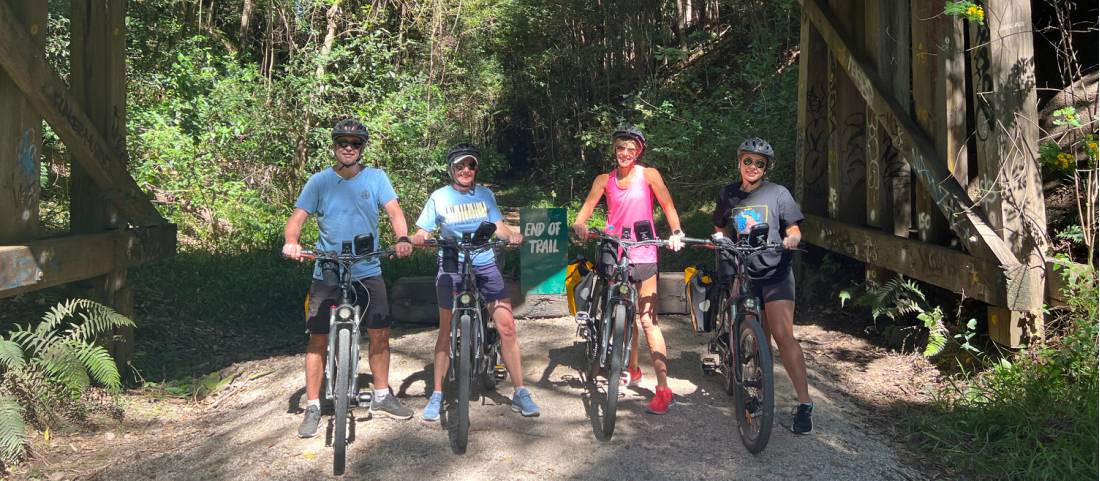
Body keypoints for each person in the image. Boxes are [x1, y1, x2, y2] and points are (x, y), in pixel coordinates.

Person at [283, 118, 415, 438]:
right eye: (343, 142)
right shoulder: (319, 182)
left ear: (361, 148)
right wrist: (292, 242)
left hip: (367, 266)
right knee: (317, 339)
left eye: (354, 144)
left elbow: (395, 213)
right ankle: (314, 404)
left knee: (380, 332)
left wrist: (402, 238)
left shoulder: (377, 177)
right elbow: (296, 220)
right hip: (327, 267)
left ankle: (382, 394)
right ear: (335, 146)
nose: (348, 148)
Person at [412, 143, 540, 420]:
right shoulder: (439, 196)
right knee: (445, 330)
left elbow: (499, 226)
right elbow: (422, 229)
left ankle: (520, 391)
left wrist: (511, 236)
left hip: (483, 260)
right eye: (460, 166)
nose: (466, 170)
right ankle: (437, 394)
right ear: (451, 169)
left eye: (470, 165)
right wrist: (418, 239)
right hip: (450, 261)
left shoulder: (485, 195)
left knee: (506, 326)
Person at [571, 125, 686, 415]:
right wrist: (580, 225)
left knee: (648, 320)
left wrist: (675, 231)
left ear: (639, 152)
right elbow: (584, 212)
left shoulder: (649, 175)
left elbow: (668, 204)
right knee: (617, 309)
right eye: (621, 148)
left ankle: (663, 388)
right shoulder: (603, 180)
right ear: (614, 150)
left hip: (644, 250)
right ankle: (630, 367)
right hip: (613, 248)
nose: (625, 153)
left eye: (631, 149)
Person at [711, 136, 814, 434]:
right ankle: (758, 393)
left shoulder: (778, 193)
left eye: (759, 163)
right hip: (745, 271)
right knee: (757, 338)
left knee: (783, 335)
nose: (753, 167)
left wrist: (792, 238)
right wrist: (720, 239)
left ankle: (805, 403)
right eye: (748, 161)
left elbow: (793, 227)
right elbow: (719, 225)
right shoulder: (729, 194)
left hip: (776, 270)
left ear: (766, 167)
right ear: (739, 162)